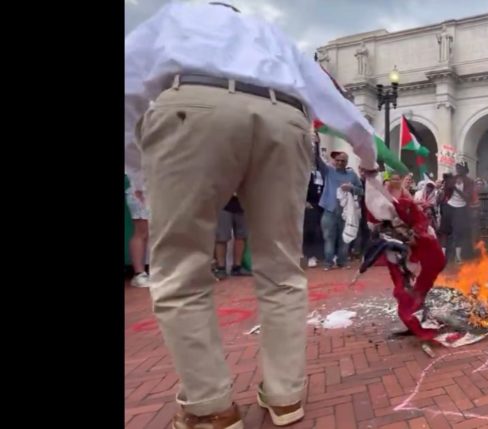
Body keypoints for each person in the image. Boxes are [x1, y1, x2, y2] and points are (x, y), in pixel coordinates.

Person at [124, 2, 378, 427]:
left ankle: (210, 408)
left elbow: (130, 84)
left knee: (181, 268)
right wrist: (368, 157)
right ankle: (285, 396)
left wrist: (137, 168)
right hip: (285, 118)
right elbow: (327, 95)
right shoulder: (270, 34)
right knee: (282, 268)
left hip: (196, 106)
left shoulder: (175, 17)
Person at [126, 173, 150, 287]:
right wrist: (138, 188)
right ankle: (139, 274)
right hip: (138, 192)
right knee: (142, 231)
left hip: (157, 191)